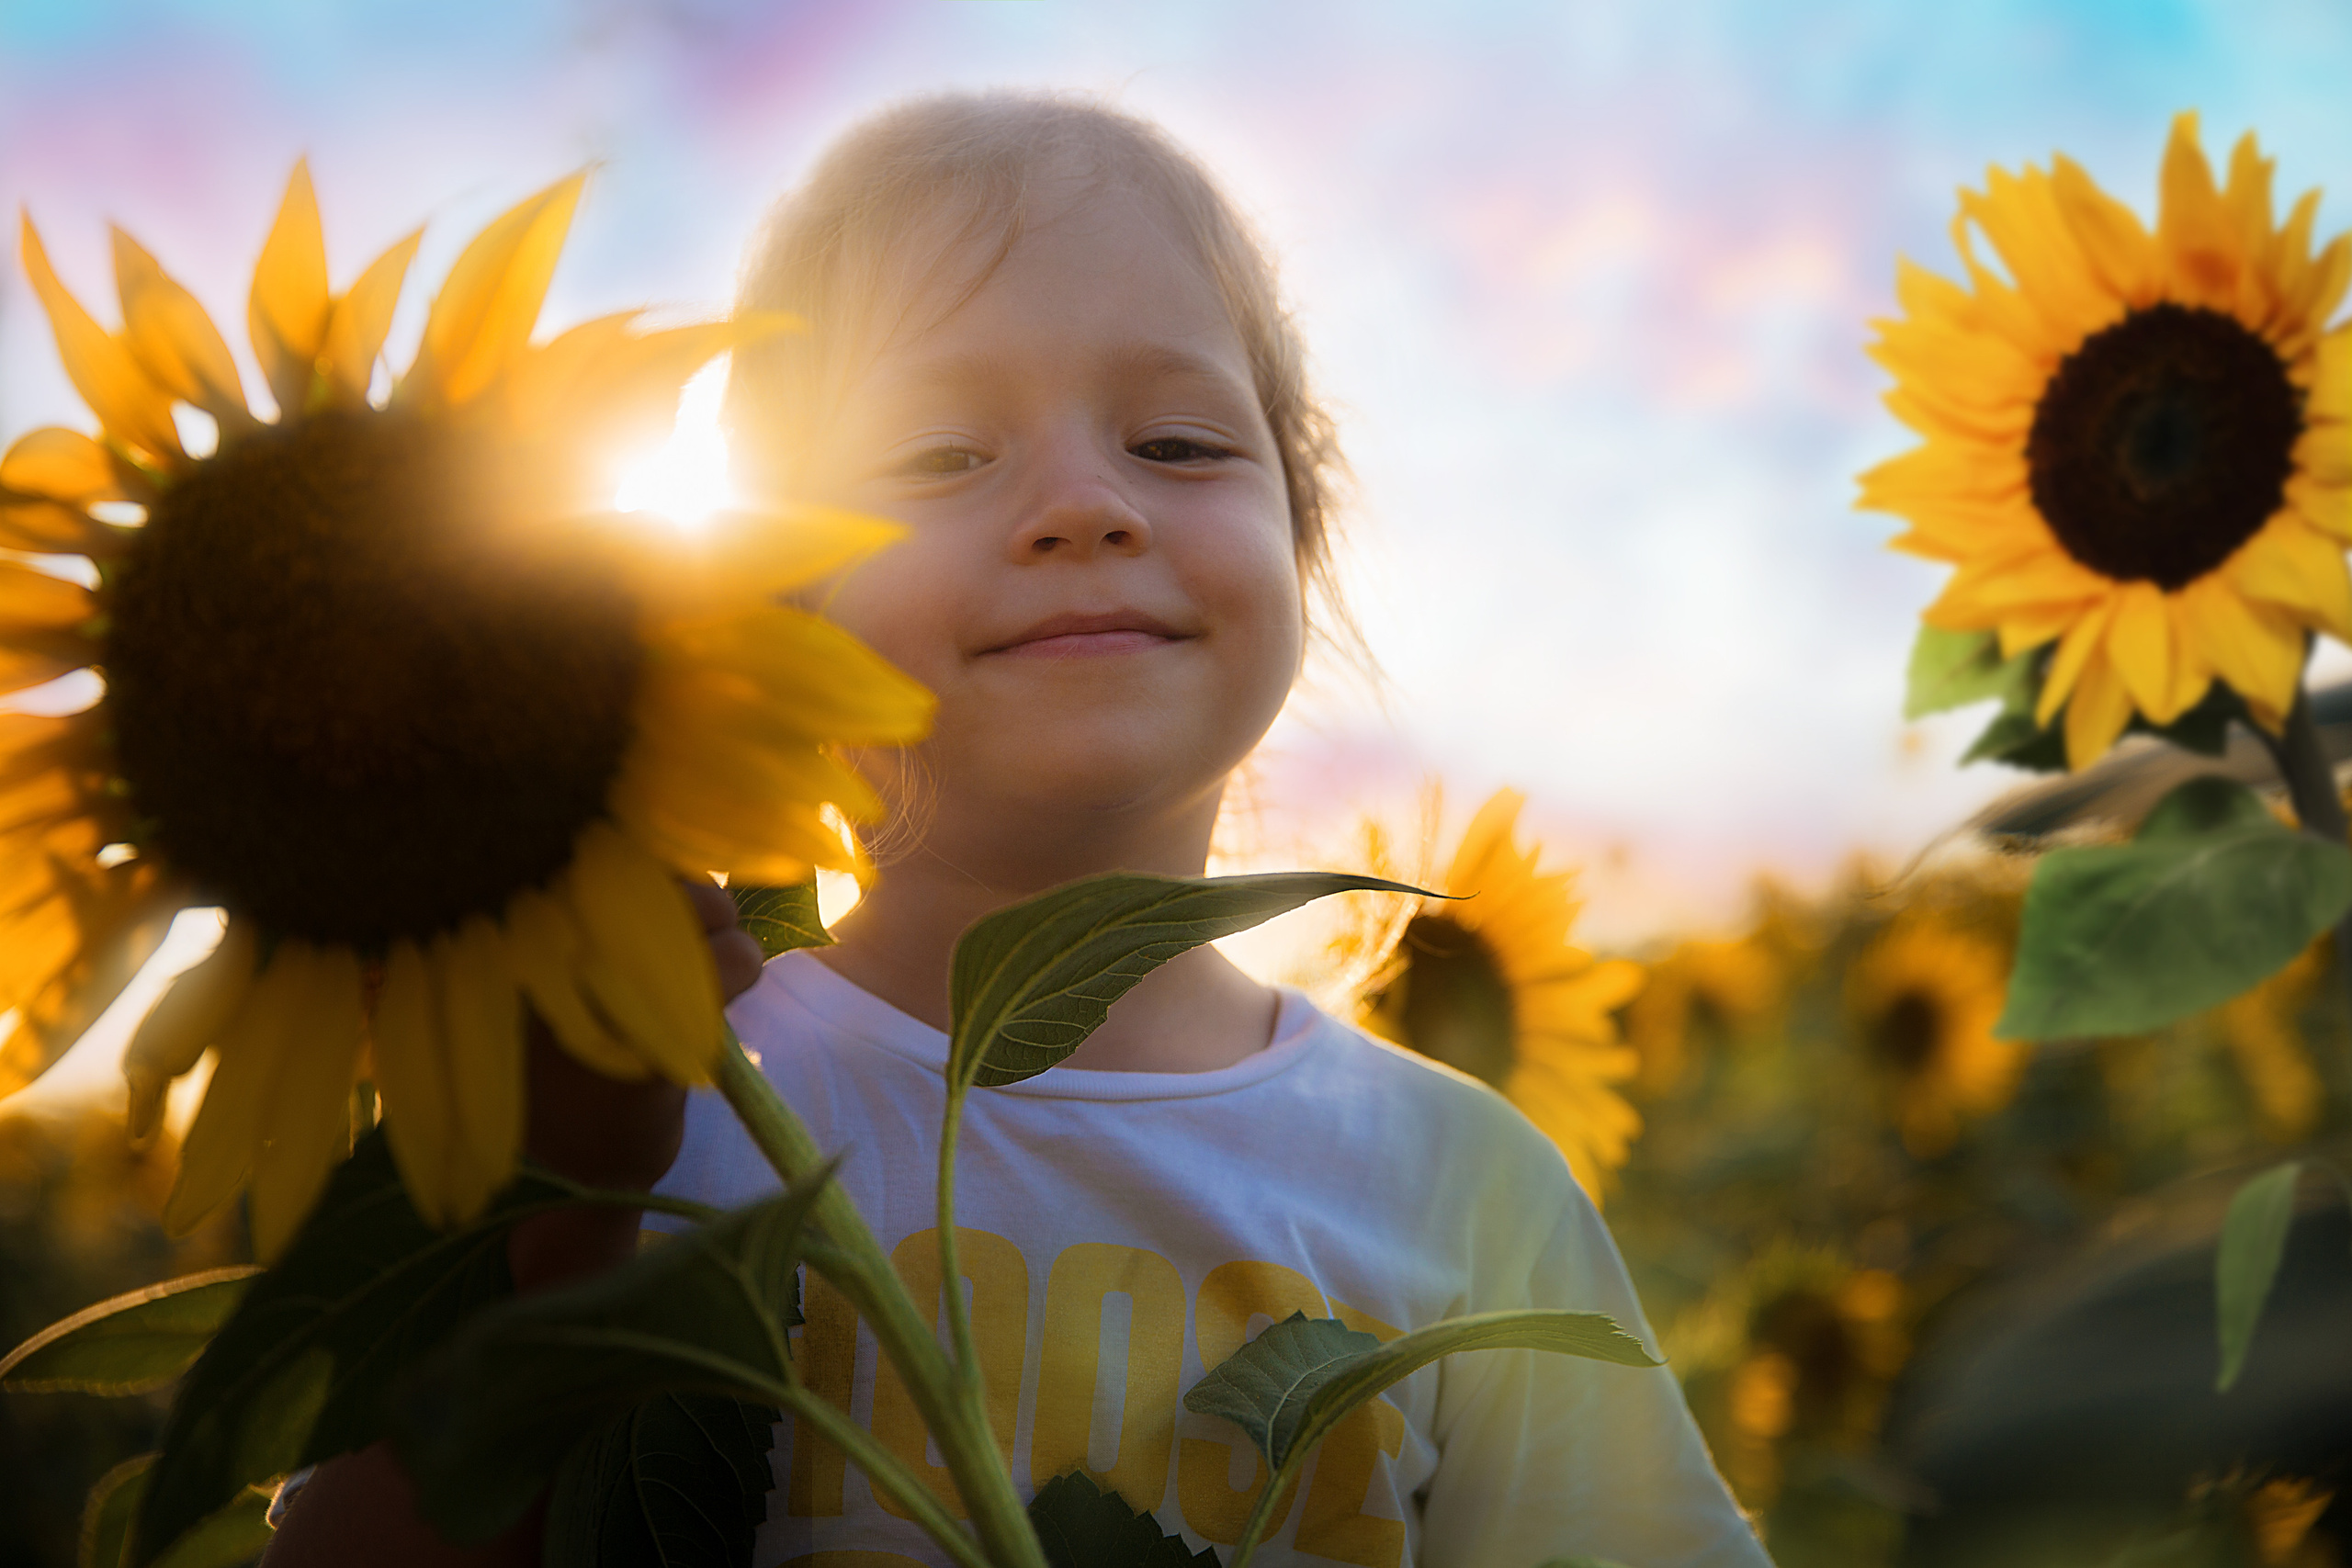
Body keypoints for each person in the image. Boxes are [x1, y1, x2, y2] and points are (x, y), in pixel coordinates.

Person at [646, 91, 1771, 1568]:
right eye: (940, 456)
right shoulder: (670, 1108)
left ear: (1302, 537)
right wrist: (559, 1208)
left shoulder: (1464, 1184)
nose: (1084, 505)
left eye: (1177, 443)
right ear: (778, 607)